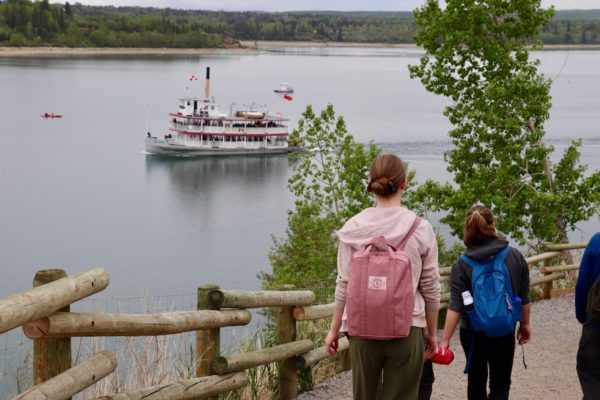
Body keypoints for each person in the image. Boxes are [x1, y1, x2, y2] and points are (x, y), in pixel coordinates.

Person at [325, 153, 441, 400]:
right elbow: (431, 286)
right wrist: (432, 333)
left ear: (372, 184)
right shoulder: (420, 228)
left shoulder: (354, 228)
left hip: (360, 328)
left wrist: (333, 329)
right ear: (404, 183)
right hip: (408, 327)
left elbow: (343, 283)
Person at [440, 204, 531, 400]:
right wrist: (525, 324)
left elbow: (456, 305)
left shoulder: (462, 265)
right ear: (493, 224)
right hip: (505, 329)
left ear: (467, 229)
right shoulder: (514, 256)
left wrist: (445, 340)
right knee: (501, 383)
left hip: (473, 333)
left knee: (476, 381)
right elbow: (523, 296)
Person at [575, 232, 600, 398]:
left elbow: (583, 281)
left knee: (591, 375)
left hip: (597, 320)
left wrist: (582, 315)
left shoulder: (597, 241)